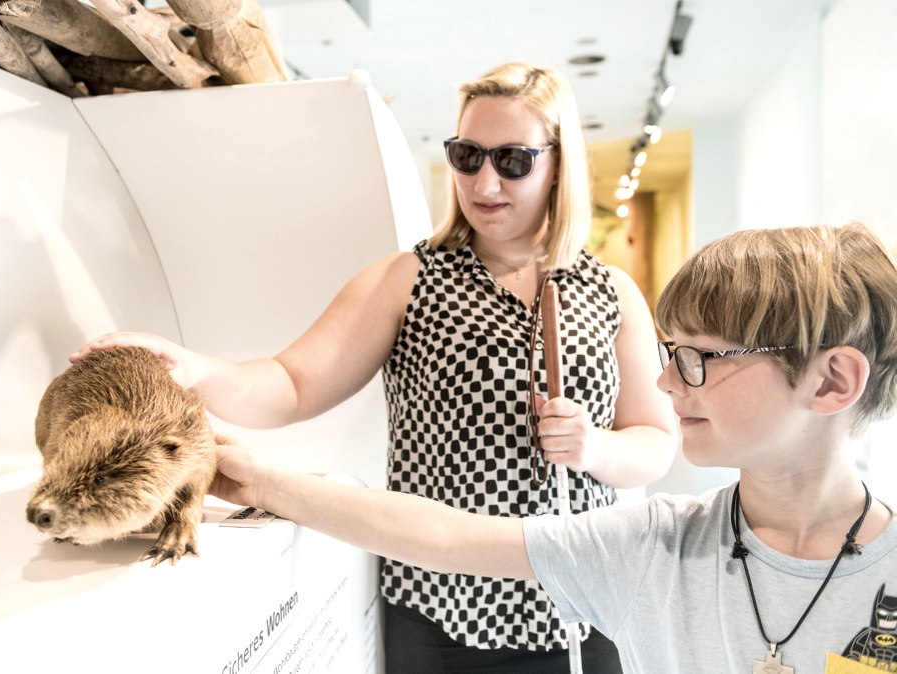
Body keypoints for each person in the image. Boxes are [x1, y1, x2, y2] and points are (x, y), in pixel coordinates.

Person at [72, 62, 677, 672]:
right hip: (442, 611)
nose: (485, 182)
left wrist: (593, 448)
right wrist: (193, 368)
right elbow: (291, 383)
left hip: (580, 610)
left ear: (557, 165)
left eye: (512, 161)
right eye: (468, 156)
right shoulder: (409, 280)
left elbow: (654, 440)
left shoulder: (610, 290)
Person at [210, 222, 897, 673]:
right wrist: (265, 481)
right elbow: (449, 539)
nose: (664, 379)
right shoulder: (658, 548)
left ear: (833, 380)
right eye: (670, 352)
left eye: (701, 357)